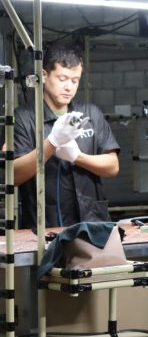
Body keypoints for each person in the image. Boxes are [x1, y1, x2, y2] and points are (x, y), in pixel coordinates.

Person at [13, 42, 120, 229]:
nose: (69, 87)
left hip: (92, 223)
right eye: (62, 79)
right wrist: (52, 143)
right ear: (44, 75)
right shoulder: (24, 118)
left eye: (75, 80)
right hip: (44, 226)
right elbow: (14, 176)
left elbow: (112, 166)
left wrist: (78, 157)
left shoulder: (90, 114)